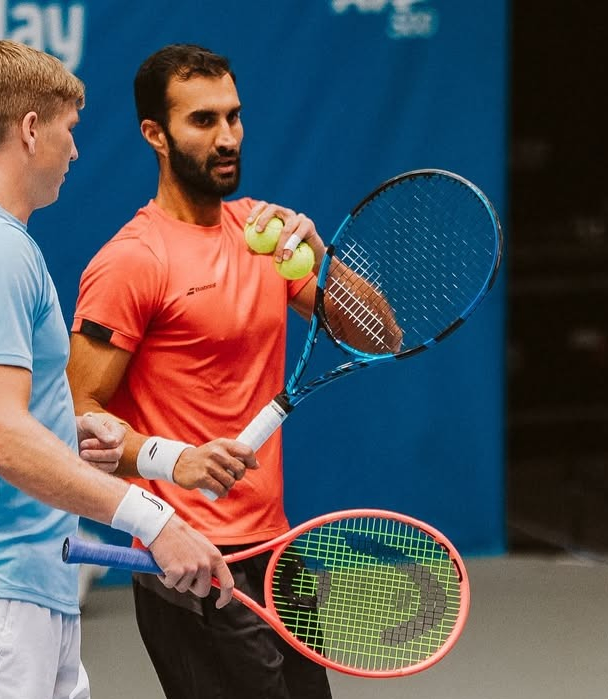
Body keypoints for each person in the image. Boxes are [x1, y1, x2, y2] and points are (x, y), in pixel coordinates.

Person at [0, 40, 236, 699]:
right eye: (70, 129)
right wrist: (155, 520)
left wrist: (56, 430)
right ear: (30, 129)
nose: (75, 151)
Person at [67, 44, 399, 699]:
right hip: (188, 560)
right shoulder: (132, 261)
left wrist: (321, 256)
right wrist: (174, 461)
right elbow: (77, 421)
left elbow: (381, 336)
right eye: (203, 121)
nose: (227, 137)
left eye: (233, 116)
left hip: (274, 549)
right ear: (155, 135)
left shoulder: (264, 235)